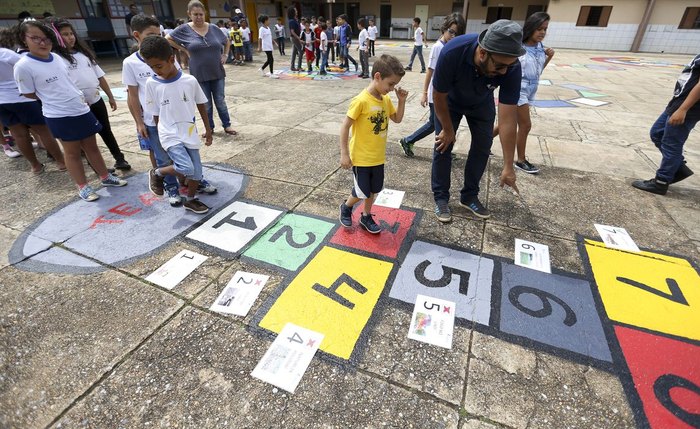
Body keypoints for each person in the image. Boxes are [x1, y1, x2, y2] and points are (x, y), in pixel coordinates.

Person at [14, 20, 126, 201]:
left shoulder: (57, 58)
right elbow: (28, 93)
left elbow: (67, 82)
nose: (42, 43)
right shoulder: (23, 66)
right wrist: (54, 99)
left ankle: (106, 177)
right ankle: (83, 187)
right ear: (23, 39)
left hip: (81, 109)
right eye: (35, 38)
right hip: (59, 115)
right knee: (72, 152)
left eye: (46, 39)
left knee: (92, 147)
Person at [431, 20, 524, 222]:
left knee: (483, 146)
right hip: (450, 103)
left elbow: (508, 120)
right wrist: (447, 129)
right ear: (482, 53)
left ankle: (469, 196)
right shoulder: (453, 52)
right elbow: (438, 96)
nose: (504, 73)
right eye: (499, 66)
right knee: (443, 145)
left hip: (482, 103)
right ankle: (441, 198)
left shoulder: (511, 66)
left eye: (509, 66)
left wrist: (508, 165)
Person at [141, 35, 213, 214]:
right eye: (151, 67)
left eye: (159, 65)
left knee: (196, 172)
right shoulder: (152, 84)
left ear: (171, 59)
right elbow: (156, 115)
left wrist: (208, 128)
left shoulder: (189, 80)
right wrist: (160, 140)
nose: (156, 70)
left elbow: (201, 105)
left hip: (189, 130)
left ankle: (190, 200)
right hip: (169, 132)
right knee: (186, 167)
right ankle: (157, 173)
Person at [338, 55, 408, 233]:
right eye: (390, 84)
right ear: (377, 76)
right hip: (361, 157)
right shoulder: (361, 100)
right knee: (362, 191)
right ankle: (346, 207)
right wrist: (344, 153)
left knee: (373, 190)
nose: (392, 89)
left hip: (378, 157)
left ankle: (366, 216)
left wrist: (401, 101)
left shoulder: (385, 100)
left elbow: (397, 119)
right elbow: (345, 126)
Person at [123, 14, 187, 206]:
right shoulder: (130, 63)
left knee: (184, 150)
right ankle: (172, 188)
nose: (156, 39)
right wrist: (139, 122)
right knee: (161, 156)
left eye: (159, 34)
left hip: (176, 117)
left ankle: (192, 179)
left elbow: (179, 83)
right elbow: (132, 95)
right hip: (153, 121)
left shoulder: (168, 55)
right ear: (136, 35)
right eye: (151, 34)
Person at [52, 17, 131, 171]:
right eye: (65, 34)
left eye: (71, 33)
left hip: (95, 99)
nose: (70, 37)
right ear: (56, 37)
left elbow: (99, 76)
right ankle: (96, 166)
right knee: (88, 138)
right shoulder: (57, 59)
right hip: (79, 105)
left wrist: (110, 96)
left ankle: (119, 158)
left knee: (106, 130)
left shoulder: (84, 55)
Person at [493, 12, 554, 174]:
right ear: (531, 28)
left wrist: (549, 58)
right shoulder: (518, 48)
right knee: (525, 125)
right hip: (518, 89)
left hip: (531, 89)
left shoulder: (541, 48)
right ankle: (520, 160)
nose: (542, 32)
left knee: (504, 125)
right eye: (539, 28)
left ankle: (481, 144)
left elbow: (538, 71)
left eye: (545, 29)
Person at [399, 13, 466, 157]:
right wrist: (424, 93)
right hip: (436, 95)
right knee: (440, 125)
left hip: (445, 94)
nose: (453, 36)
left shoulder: (451, 46)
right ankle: (443, 151)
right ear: (444, 29)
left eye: (457, 33)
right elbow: (430, 71)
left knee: (434, 124)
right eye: (451, 32)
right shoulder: (438, 47)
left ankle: (409, 141)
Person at [632, 53, 699, 195]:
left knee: (672, 143)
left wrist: (683, 109)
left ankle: (661, 181)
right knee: (657, 133)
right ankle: (677, 168)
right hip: (678, 101)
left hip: (688, 106)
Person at [0, 26, 65, 173]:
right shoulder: (7, 54)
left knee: (18, 135)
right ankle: (61, 162)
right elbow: (28, 65)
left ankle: (35, 165)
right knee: (44, 131)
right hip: (22, 98)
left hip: (2, 101)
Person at [166, 0, 236, 135]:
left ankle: (227, 125)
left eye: (201, 14)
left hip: (217, 72)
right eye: (195, 14)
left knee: (220, 101)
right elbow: (167, 38)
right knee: (206, 104)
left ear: (205, 14)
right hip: (199, 74)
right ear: (189, 14)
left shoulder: (214, 28)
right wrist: (184, 49)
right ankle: (209, 128)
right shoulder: (184, 29)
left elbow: (226, 41)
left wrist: (225, 54)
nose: (198, 17)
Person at [257, 14, 278, 78]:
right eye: (268, 20)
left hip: (269, 46)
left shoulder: (268, 28)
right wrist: (259, 47)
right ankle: (271, 74)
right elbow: (259, 38)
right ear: (265, 21)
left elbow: (270, 36)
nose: (269, 21)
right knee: (271, 59)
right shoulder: (261, 29)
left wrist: (274, 42)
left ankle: (262, 69)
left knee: (269, 60)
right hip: (266, 47)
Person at [288, 7, 303, 72]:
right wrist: (298, 38)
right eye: (295, 10)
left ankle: (292, 67)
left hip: (295, 37)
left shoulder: (296, 19)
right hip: (294, 38)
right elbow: (292, 31)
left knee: (294, 52)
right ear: (293, 12)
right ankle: (299, 66)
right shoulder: (291, 21)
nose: (296, 11)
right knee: (301, 51)